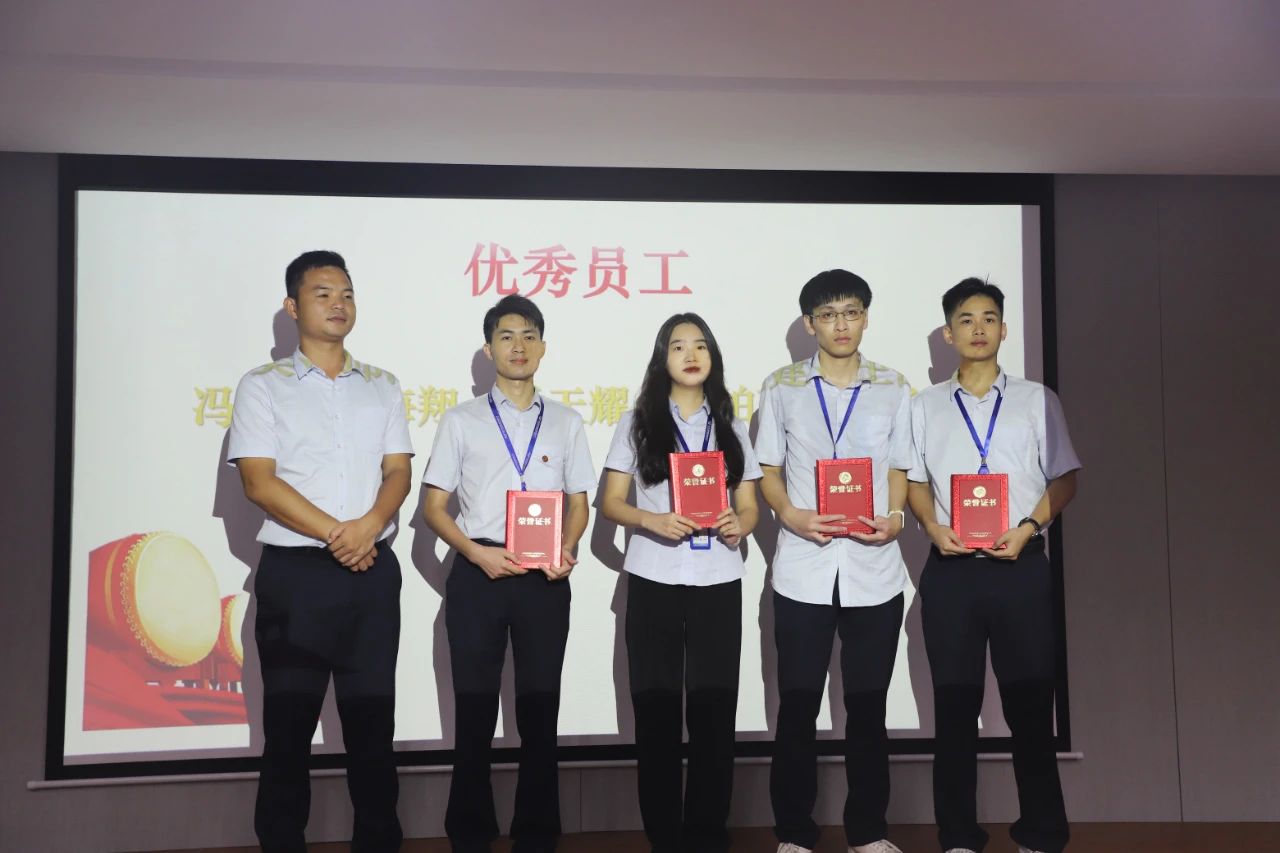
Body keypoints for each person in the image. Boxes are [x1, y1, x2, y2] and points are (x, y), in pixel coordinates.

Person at [228, 249, 414, 853]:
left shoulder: (383, 386)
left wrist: (371, 527)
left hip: (372, 575)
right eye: (323, 293)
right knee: (288, 732)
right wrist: (344, 533)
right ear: (292, 306)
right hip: (296, 577)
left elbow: (398, 472)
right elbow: (259, 482)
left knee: (373, 732)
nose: (339, 304)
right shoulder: (262, 385)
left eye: (347, 294)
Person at [906, 277, 1080, 853]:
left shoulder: (1036, 399)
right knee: (955, 710)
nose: (977, 328)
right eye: (965, 319)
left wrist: (1029, 526)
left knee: (1030, 708)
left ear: (1004, 330)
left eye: (988, 318)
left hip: (1020, 567)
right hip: (952, 570)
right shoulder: (924, 405)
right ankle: (958, 836)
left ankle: (1042, 834)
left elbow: (1064, 478)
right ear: (948, 333)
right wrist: (932, 526)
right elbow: (914, 482)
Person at [421, 294, 595, 853]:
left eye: (528, 336)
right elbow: (433, 508)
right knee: (474, 710)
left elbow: (579, 502)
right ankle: (470, 834)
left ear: (543, 347)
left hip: (545, 580)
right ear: (488, 348)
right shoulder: (460, 420)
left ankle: (537, 836)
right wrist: (476, 553)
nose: (518, 346)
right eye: (506, 336)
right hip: (480, 574)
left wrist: (567, 547)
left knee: (540, 712)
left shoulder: (566, 421)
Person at [755, 270, 913, 853]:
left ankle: (868, 832)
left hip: (875, 570)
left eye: (851, 312)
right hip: (804, 568)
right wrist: (790, 515)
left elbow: (900, 467)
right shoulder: (781, 386)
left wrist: (896, 516)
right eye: (828, 314)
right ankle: (794, 834)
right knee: (797, 706)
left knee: (868, 709)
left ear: (866, 317)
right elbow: (767, 469)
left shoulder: (894, 386)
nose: (841, 324)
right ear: (809, 324)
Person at [599, 313, 762, 853]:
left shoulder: (732, 426)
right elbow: (611, 503)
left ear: (713, 357)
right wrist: (652, 520)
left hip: (719, 579)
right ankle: (665, 839)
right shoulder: (637, 422)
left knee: (715, 714)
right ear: (661, 358)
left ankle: (709, 836)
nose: (691, 355)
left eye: (701, 346)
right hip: (655, 578)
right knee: (657, 715)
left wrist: (741, 523)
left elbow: (749, 505)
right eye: (678, 346)